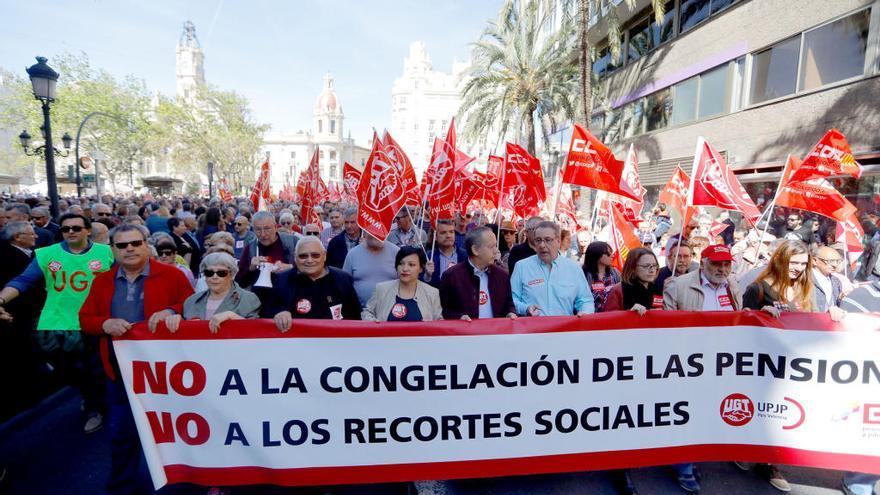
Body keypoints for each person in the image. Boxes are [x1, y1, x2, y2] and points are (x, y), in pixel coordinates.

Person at [79, 223, 194, 495]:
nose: (129, 249)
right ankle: (122, 487)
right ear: (113, 250)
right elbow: (85, 319)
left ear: (146, 244)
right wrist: (105, 324)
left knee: (177, 433)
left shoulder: (172, 275)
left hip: (168, 374)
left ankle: (181, 483)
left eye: (135, 243)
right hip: (120, 375)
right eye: (121, 245)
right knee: (122, 435)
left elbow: (191, 305)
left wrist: (171, 310)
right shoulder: (102, 281)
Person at [739, 239, 844, 493]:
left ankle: (770, 463)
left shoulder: (806, 289)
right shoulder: (758, 289)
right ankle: (746, 450)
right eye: (793, 263)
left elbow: (815, 321)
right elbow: (741, 325)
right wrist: (759, 315)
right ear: (780, 260)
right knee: (761, 413)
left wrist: (833, 313)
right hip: (763, 363)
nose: (797, 269)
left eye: (803, 264)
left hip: (795, 364)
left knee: (783, 415)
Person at [0, 213, 114, 434]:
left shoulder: (106, 253)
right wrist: (2, 298)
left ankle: (96, 407)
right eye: (65, 229)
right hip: (57, 324)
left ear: (88, 231)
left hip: (96, 322)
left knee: (96, 368)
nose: (71, 232)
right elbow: (23, 280)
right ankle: (91, 397)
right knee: (68, 371)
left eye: (76, 228)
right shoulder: (47, 254)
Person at [663, 244, 743, 493]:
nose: (722, 269)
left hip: (721, 363)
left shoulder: (734, 286)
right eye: (716, 264)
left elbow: (740, 318)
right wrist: (689, 323)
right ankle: (683, 466)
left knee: (706, 412)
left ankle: (691, 456)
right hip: (688, 362)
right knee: (686, 413)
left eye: (726, 264)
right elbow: (664, 324)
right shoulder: (679, 284)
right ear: (704, 262)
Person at [264, 236, 361, 326]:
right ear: (295, 257)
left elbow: (355, 317)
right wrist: (278, 313)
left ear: (324, 256)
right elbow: (268, 311)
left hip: (335, 341)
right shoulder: (282, 280)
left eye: (315, 255)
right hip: (296, 341)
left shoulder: (343, 279)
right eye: (303, 256)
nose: (309, 260)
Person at [511, 221, 594, 316]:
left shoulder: (574, 268)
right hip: (531, 328)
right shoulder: (522, 267)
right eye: (538, 240)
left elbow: (585, 300)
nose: (542, 245)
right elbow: (512, 300)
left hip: (564, 328)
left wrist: (585, 312)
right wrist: (525, 308)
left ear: (558, 241)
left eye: (548, 240)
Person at [164, 252, 261, 333]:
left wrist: (233, 316)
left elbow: (257, 333)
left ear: (232, 274)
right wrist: (177, 321)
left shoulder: (249, 299)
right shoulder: (191, 301)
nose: (214, 277)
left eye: (221, 273)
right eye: (209, 273)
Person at [439, 226, 516, 320]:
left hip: (496, 332)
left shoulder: (502, 276)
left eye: (496, 246)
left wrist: (510, 313)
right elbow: (444, 310)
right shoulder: (451, 276)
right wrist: (459, 317)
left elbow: (509, 304)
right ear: (475, 250)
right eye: (491, 247)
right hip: (466, 332)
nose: (496, 251)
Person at [362, 246, 442, 321]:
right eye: (401, 264)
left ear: (421, 268)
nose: (405, 269)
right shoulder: (381, 289)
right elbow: (367, 313)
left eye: (411, 265)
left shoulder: (432, 293)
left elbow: (439, 322)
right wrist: (375, 324)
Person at [235, 211, 297, 288]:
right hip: (261, 297)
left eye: (267, 228)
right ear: (253, 229)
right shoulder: (251, 248)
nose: (263, 234)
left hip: (288, 294)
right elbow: (239, 283)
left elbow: (310, 270)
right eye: (258, 230)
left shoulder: (293, 243)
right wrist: (250, 269)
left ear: (275, 227)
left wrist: (291, 267)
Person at [343, 232, 400, 307]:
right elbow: (344, 285)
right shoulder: (352, 254)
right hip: (360, 312)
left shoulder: (397, 252)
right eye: (373, 232)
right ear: (365, 232)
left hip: (391, 310)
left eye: (380, 231)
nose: (377, 235)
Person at [605, 247, 664, 313]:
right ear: (632, 268)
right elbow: (610, 318)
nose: (652, 270)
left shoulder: (657, 287)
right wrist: (629, 313)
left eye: (654, 265)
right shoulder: (619, 290)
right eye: (646, 266)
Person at [424, 219, 467, 287]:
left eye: (451, 232)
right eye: (443, 232)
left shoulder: (465, 256)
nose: (448, 236)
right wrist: (427, 276)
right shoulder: (428, 256)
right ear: (435, 236)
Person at [581, 241, 620, 312]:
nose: (612, 256)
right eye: (608, 254)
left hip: (612, 317)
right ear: (597, 255)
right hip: (592, 318)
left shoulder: (615, 273)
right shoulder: (584, 275)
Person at [812, 245, 846, 312]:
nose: (835, 265)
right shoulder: (804, 279)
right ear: (815, 261)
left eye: (838, 261)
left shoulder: (836, 281)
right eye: (830, 261)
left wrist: (841, 299)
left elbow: (836, 305)